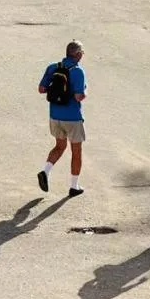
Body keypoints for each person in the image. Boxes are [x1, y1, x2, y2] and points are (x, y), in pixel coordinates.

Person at [37, 40, 86, 196]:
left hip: (55, 115)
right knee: (76, 151)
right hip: (72, 118)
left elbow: (41, 89)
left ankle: (45, 171)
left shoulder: (53, 67)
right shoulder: (78, 71)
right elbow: (78, 97)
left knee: (59, 146)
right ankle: (74, 186)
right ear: (77, 54)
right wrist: (85, 91)